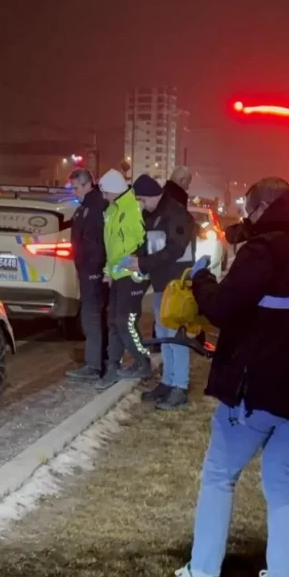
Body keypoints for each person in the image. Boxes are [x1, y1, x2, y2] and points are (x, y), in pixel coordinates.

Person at [147, 181, 289, 577]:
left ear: (263, 209)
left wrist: (202, 279)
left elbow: (223, 308)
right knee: (282, 480)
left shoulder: (266, 251)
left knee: (219, 475)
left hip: (258, 387)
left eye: (250, 210)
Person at [123, 173, 195, 410]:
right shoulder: (152, 215)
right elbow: (148, 246)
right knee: (165, 336)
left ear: (152, 195)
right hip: (162, 284)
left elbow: (174, 250)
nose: (141, 205)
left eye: (142, 199)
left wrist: (143, 263)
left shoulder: (176, 214)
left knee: (176, 338)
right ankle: (168, 382)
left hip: (177, 285)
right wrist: (136, 259)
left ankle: (180, 387)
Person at [98, 169, 150, 388]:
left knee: (124, 321)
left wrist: (136, 263)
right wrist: (108, 271)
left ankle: (142, 360)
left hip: (132, 274)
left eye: (105, 192)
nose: (104, 197)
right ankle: (113, 365)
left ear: (114, 189)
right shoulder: (111, 210)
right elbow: (111, 247)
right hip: (118, 274)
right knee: (113, 321)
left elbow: (142, 242)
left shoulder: (134, 208)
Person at [65, 168, 109, 380]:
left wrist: (91, 269)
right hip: (89, 270)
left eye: (76, 188)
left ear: (87, 185)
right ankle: (100, 362)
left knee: (91, 318)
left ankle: (94, 365)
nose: (74, 192)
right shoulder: (87, 206)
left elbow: (96, 244)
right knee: (93, 317)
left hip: (93, 272)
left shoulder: (95, 207)